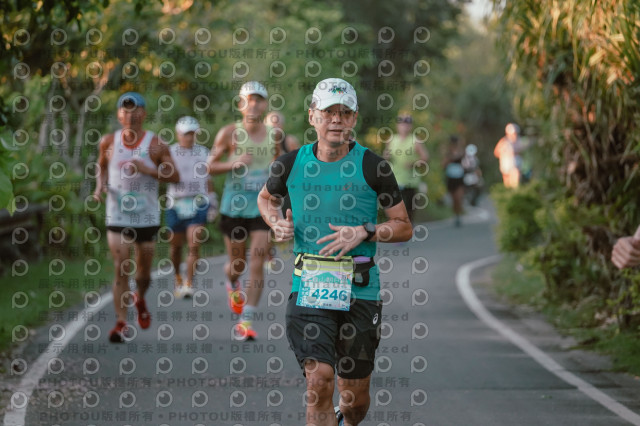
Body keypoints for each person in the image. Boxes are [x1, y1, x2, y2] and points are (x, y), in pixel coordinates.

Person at [257, 78, 412, 426]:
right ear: (313, 116)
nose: (337, 120)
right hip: (309, 287)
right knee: (319, 380)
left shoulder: (374, 166)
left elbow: (403, 226)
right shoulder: (289, 164)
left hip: (361, 289)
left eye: (345, 113)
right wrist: (275, 223)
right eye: (329, 112)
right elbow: (265, 199)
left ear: (354, 118)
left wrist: (366, 231)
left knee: (354, 400)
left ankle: (344, 417)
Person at [92, 92, 180, 343]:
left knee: (143, 274)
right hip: (117, 213)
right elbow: (101, 166)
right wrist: (99, 186)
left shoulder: (156, 144)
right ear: (119, 114)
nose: (130, 115)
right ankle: (121, 323)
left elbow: (174, 176)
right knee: (121, 266)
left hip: (146, 217)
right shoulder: (108, 141)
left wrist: (148, 170)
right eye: (125, 110)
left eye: (135, 110)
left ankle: (140, 298)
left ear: (144, 113)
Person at [207, 81, 280, 340]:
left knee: (258, 260)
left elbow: (278, 165)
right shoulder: (229, 133)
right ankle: (231, 281)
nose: (254, 104)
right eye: (249, 99)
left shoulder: (274, 135)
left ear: (265, 104)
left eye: (259, 99)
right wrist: (233, 163)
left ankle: (246, 321)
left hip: (261, 208)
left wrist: (277, 191)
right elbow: (209, 166)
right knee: (237, 264)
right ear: (240, 104)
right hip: (234, 207)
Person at [166, 116, 218, 299]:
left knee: (193, 244)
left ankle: (189, 283)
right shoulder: (170, 152)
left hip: (198, 202)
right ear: (178, 134)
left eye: (191, 133)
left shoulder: (203, 152)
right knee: (175, 247)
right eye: (185, 134)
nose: (189, 137)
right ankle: (177, 277)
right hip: (175, 203)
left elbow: (208, 179)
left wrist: (213, 203)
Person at [384, 112, 429, 223]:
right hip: (394, 180)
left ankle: (407, 228)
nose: (404, 126)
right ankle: (397, 228)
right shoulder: (391, 140)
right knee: (392, 208)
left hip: (410, 182)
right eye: (402, 123)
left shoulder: (416, 141)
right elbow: (385, 157)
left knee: (408, 211)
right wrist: (386, 157)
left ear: (410, 126)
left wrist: (413, 163)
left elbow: (425, 158)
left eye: (407, 124)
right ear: (397, 125)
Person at [443, 135, 466, 227]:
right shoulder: (448, 153)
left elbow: (466, 162)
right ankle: (455, 214)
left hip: (459, 177)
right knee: (453, 199)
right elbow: (443, 164)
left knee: (458, 198)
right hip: (450, 177)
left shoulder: (462, 152)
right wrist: (450, 159)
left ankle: (459, 215)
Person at [494, 123, 521, 188]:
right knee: (507, 182)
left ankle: (515, 191)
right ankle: (509, 192)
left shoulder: (517, 141)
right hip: (506, 164)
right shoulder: (503, 141)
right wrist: (504, 153)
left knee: (515, 178)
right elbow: (496, 152)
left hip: (515, 164)